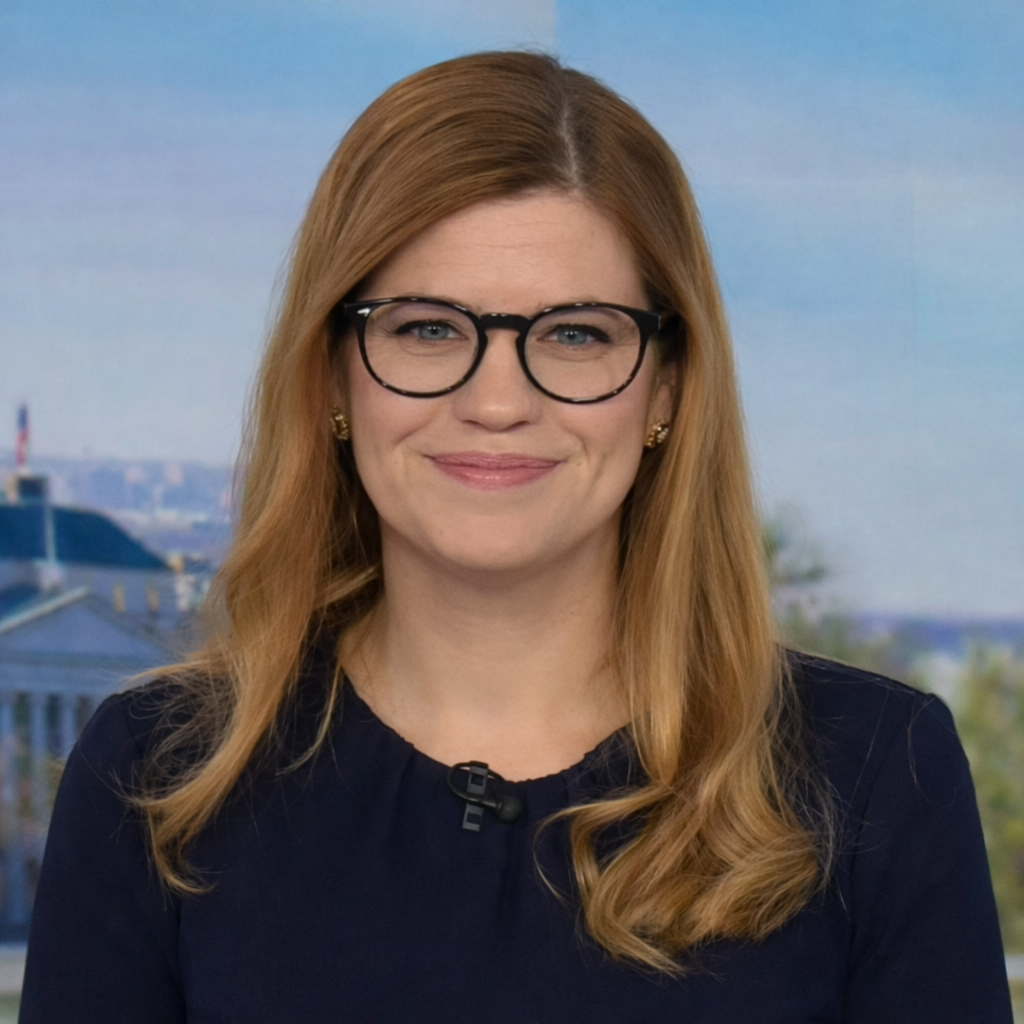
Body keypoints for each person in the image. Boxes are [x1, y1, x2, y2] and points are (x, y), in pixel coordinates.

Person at [20, 52, 1012, 1023]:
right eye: (425, 328)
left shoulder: (876, 773)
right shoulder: (155, 781)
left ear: (665, 386)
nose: (498, 401)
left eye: (577, 333)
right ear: (331, 376)